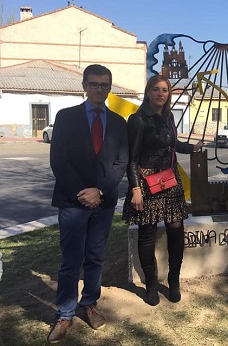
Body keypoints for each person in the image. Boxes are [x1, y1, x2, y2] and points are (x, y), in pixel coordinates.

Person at [48, 64, 129, 344]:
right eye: (94, 84)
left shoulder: (119, 122)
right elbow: (59, 160)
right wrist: (83, 192)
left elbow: (121, 163)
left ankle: (90, 304)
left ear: (110, 87)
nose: (100, 89)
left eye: (105, 85)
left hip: (103, 203)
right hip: (73, 201)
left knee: (95, 258)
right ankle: (65, 314)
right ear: (84, 85)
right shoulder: (66, 117)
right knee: (71, 261)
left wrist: (101, 192)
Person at [122, 74, 203, 306]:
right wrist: (135, 188)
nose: (160, 94)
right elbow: (132, 158)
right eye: (156, 89)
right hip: (146, 183)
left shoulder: (168, 117)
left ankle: (173, 280)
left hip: (169, 181)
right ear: (148, 92)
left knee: (176, 231)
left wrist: (192, 147)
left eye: (165, 90)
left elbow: (172, 144)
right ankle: (150, 285)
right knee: (147, 234)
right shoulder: (137, 120)